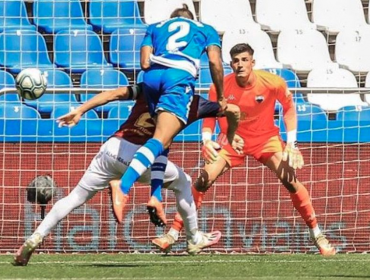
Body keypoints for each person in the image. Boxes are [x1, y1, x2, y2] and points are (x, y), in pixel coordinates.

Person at [12, 82, 239, 266]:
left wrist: (80, 110)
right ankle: (193, 238)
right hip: (140, 157)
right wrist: (230, 133)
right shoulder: (194, 103)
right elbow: (233, 109)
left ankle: (35, 238)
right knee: (184, 182)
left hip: (112, 149)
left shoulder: (148, 87)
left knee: (74, 197)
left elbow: (112, 93)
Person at [152, 43, 336, 256]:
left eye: (244, 60)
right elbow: (210, 114)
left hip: (265, 139)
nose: (240, 65)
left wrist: (292, 143)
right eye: (236, 61)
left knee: (290, 179)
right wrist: (206, 140)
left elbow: (289, 108)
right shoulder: (220, 87)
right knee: (203, 178)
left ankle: (318, 235)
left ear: (252, 62)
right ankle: (173, 234)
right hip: (231, 141)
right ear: (231, 64)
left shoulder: (272, 82)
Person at [111, 4, 232, 222]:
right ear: (190, 19)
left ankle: (155, 196)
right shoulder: (206, 28)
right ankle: (124, 184)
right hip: (178, 78)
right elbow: (214, 61)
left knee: (164, 138)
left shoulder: (155, 27)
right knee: (160, 138)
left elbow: (144, 61)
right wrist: (221, 95)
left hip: (151, 77)